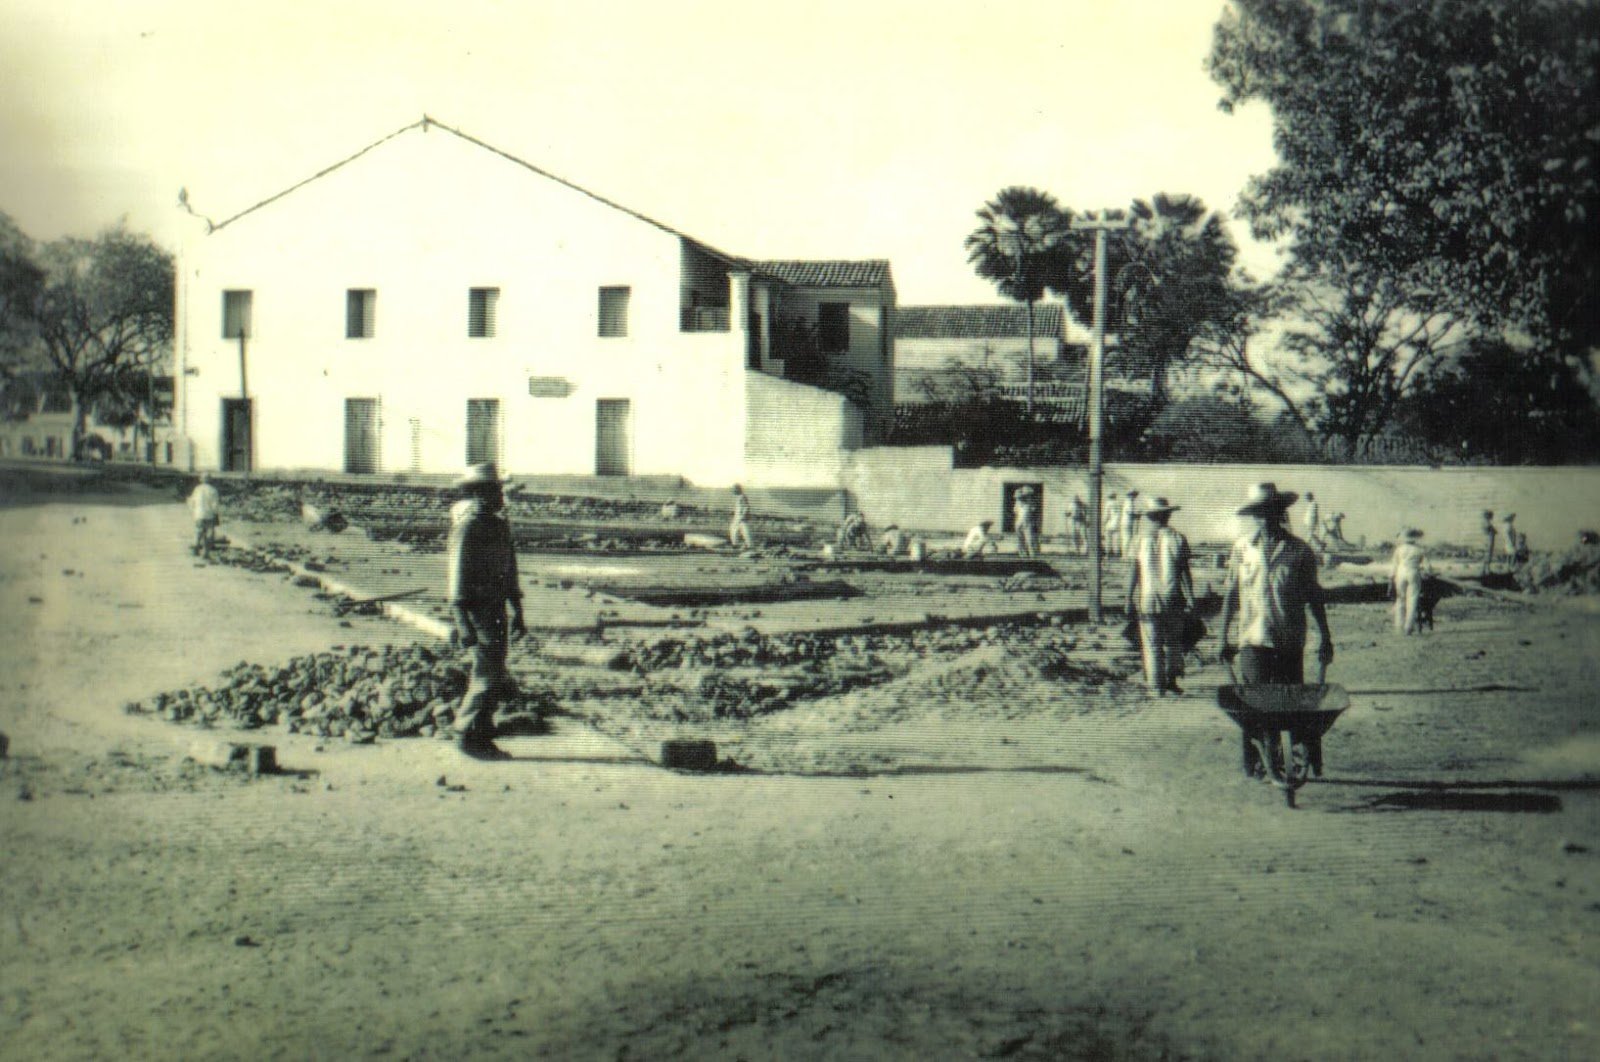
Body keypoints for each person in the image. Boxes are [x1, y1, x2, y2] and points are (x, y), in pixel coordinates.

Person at [1218, 482, 1335, 779]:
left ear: (1280, 513)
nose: (1264, 518)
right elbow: (1232, 594)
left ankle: (1291, 755)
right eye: (1258, 513)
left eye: (1270, 511)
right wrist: (1222, 637)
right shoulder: (1242, 549)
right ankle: (1254, 762)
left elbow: (1314, 595)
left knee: (1288, 706)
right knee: (1252, 704)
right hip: (1252, 638)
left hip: (1288, 638)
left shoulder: (1299, 551)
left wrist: (1325, 636)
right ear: (1253, 516)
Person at [446, 462, 526, 761]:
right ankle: (466, 732)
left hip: (497, 609)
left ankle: (482, 731)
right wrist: (462, 623)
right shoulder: (468, 527)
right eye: (495, 490)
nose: (501, 495)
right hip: (478, 611)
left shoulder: (499, 525)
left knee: (495, 670)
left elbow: (510, 572)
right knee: (486, 674)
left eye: (500, 489)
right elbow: (457, 579)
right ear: (479, 493)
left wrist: (518, 610)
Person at [1125, 497, 1195, 695]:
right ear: (1168, 515)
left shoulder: (1138, 539)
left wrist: (1128, 597)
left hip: (1148, 597)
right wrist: (1191, 597)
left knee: (1152, 644)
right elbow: (1184, 572)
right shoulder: (1178, 538)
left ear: (1149, 516)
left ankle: (1156, 686)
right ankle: (1171, 681)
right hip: (1173, 597)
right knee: (1173, 642)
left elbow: (1133, 571)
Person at [1390, 528, 1428, 636]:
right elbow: (1427, 566)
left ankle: (1398, 626)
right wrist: (1429, 572)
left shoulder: (1399, 549)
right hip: (1413, 572)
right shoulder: (1419, 550)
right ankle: (1408, 627)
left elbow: (1394, 565)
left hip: (1400, 573)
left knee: (1400, 599)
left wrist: (1391, 576)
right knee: (1412, 600)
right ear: (1415, 539)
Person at [187, 472, 222, 560]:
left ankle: (195, 549)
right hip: (209, 514)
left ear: (201, 479)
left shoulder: (197, 489)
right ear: (210, 480)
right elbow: (215, 504)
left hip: (198, 514)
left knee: (199, 531)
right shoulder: (213, 490)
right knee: (208, 533)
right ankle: (205, 552)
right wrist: (215, 513)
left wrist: (193, 511)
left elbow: (192, 501)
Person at [1013, 487, 1038, 559]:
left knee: (1029, 540)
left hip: (1028, 522)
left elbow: (1033, 511)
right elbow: (1016, 512)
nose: (1019, 498)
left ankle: (1032, 555)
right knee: (1020, 539)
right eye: (1018, 497)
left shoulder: (1031, 503)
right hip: (1019, 522)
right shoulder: (1017, 503)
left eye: (1021, 497)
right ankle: (1022, 555)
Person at [729, 484, 755, 550]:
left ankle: (749, 546)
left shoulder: (742, 497)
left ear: (738, 489)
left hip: (741, 517)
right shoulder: (739, 497)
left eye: (734, 489)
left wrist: (743, 516)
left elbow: (746, 507)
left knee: (745, 531)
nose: (733, 491)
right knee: (734, 529)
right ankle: (735, 544)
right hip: (738, 517)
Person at [1120, 489, 1141, 558]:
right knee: (1127, 538)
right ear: (1131, 495)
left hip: (1127, 522)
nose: (1135, 497)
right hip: (1127, 522)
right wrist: (1137, 514)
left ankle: (1126, 554)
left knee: (1127, 538)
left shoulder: (1128, 501)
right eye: (1134, 495)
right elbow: (1129, 512)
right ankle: (1125, 555)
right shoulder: (1129, 502)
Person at [1103, 493, 1122, 558]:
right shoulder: (1118, 503)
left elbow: (1106, 515)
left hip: (1110, 523)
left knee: (1108, 539)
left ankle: (1107, 554)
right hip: (1118, 523)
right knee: (1116, 539)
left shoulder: (1108, 503)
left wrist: (1103, 522)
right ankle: (1116, 553)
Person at [1480, 510, 1497, 576]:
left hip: (1488, 539)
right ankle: (1486, 570)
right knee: (1488, 555)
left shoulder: (1485, 523)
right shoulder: (1487, 523)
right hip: (1489, 540)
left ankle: (1484, 570)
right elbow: (1492, 531)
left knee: (1487, 555)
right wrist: (1492, 530)